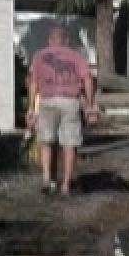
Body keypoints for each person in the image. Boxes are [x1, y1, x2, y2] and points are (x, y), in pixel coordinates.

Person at [27, 25, 95, 195]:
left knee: (46, 142)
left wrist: (31, 108)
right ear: (66, 41)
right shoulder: (76, 56)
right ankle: (65, 185)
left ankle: (46, 179)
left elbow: (33, 83)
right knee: (69, 144)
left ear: (49, 40)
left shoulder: (39, 56)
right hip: (69, 102)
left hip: (47, 100)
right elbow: (87, 80)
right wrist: (90, 103)